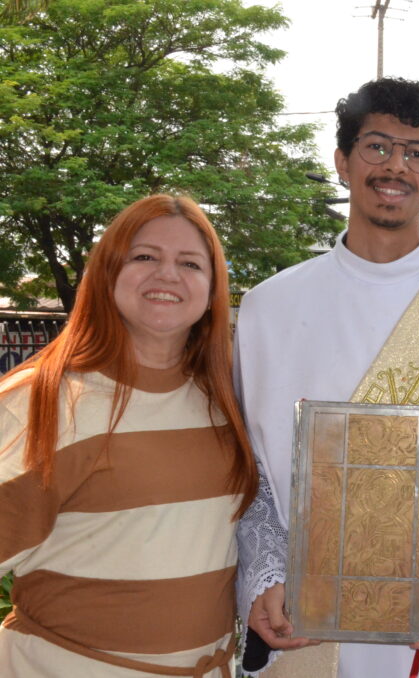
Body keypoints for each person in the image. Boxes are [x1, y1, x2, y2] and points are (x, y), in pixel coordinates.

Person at [234, 77, 419, 678]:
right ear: (342, 161)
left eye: (417, 153)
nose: (395, 166)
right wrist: (263, 577)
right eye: (377, 147)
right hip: (303, 623)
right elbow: (252, 470)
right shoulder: (270, 306)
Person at [0, 195, 258, 677]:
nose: (168, 275)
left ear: (212, 287)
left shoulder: (223, 400)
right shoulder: (42, 402)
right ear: (108, 272)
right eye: (144, 257)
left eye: (190, 263)